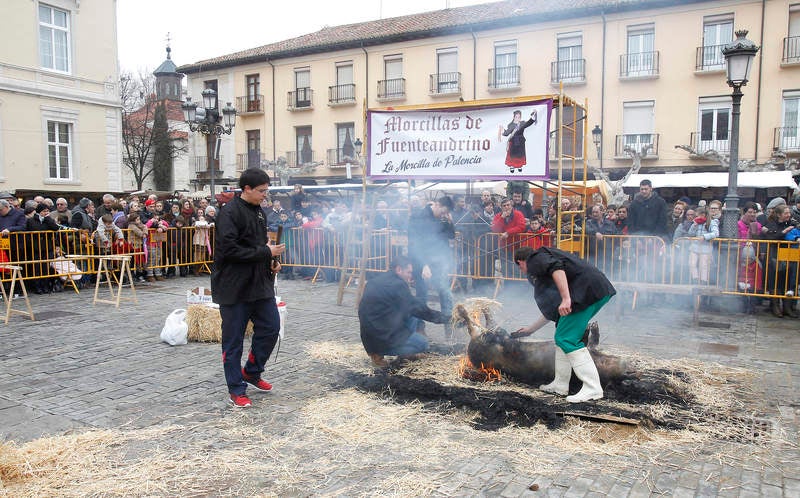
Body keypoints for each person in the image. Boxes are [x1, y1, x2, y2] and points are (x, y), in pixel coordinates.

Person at [212, 168, 285, 408]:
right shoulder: (228, 213)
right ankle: (236, 388)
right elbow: (229, 250)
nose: (265, 195)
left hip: (259, 283)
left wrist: (270, 261)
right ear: (247, 189)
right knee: (233, 341)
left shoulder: (259, 212)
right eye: (262, 191)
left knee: (271, 327)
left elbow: (260, 245)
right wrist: (266, 252)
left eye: (266, 191)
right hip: (234, 287)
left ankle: (252, 372)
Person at [512, 245, 616, 403]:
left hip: (587, 291)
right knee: (561, 335)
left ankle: (593, 388)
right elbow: (553, 312)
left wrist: (566, 299)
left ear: (521, 262)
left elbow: (557, 268)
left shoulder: (534, 259)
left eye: (520, 268)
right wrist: (530, 330)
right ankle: (560, 384)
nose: (523, 271)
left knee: (566, 338)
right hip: (594, 290)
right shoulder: (544, 263)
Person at [358, 256, 448, 367]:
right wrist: (446, 318)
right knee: (422, 344)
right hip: (381, 336)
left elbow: (412, 306)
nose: (411, 277)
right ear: (399, 269)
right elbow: (418, 310)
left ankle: (383, 352)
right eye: (409, 273)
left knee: (413, 314)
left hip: (369, 335)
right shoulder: (397, 285)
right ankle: (380, 354)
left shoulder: (377, 280)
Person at [407, 196, 455, 338]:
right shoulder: (418, 216)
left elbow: (451, 235)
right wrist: (424, 265)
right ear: (437, 205)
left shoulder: (442, 219)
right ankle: (419, 329)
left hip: (439, 263)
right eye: (443, 212)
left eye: (446, 213)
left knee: (445, 294)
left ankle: (449, 328)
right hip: (421, 263)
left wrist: (450, 222)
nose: (443, 215)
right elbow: (415, 244)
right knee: (421, 296)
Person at [498, 109, 537, 174]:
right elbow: (506, 133)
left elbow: (528, 123)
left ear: (520, 117)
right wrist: (502, 129)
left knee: (520, 154)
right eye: (516, 117)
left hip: (521, 141)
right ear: (514, 117)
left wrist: (533, 116)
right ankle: (512, 166)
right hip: (513, 141)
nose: (517, 118)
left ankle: (519, 166)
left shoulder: (522, 123)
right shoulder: (511, 125)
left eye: (519, 117)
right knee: (512, 155)